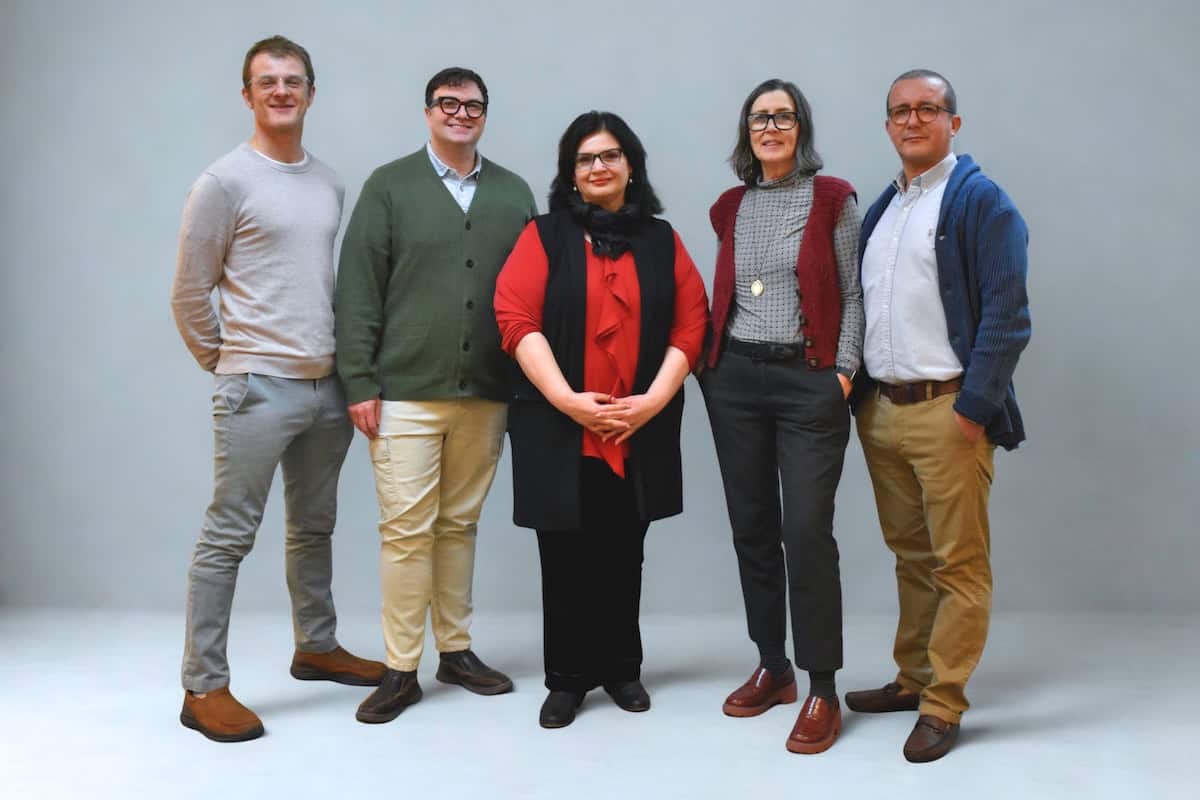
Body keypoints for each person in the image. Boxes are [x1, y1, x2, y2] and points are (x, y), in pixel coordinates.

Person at [170, 35, 384, 743]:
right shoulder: (223, 182)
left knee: (313, 527)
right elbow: (189, 292)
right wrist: (232, 363)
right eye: (268, 81)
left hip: (327, 388)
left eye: (294, 80)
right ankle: (202, 687)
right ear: (247, 95)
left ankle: (316, 645)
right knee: (228, 538)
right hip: (259, 386)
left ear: (311, 93)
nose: (281, 90)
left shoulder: (329, 181)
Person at [335, 67, 537, 724]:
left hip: (486, 393)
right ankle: (400, 667)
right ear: (428, 112)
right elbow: (359, 290)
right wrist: (360, 382)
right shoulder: (389, 187)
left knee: (459, 526)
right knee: (405, 532)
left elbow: (531, 294)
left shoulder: (513, 194)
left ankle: (456, 650)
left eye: (472, 104)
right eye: (447, 103)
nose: (459, 113)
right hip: (403, 396)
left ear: (485, 113)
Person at [494, 111, 709, 729]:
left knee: (624, 550)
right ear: (571, 173)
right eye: (585, 159)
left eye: (610, 155)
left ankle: (620, 669)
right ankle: (566, 678)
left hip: (638, 426)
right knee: (562, 555)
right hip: (558, 423)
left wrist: (651, 402)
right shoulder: (543, 235)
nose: (598, 167)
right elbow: (514, 318)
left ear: (631, 165)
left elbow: (692, 325)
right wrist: (568, 400)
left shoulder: (662, 240)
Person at [845, 69, 1030, 763]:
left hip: (949, 411)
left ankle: (943, 702)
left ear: (955, 121)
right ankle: (912, 678)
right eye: (900, 111)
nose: (913, 120)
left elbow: (1008, 317)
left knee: (959, 566)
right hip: (883, 414)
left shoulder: (981, 202)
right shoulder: (885, 209)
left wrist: (976, 411)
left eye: (928, 108)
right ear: (888, 124)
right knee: (911, 558)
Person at [700, 79, 863, 755]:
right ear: (747, 129)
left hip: (807, 381)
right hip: (735, 378)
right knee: (753, 528)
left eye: (783, 116)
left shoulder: (833, 199)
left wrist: (843, 374)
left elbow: (854, 293)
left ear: (801, 127)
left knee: (805, 531)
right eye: (760, 117)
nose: (771, 126)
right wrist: (713, 369)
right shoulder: (730, 206)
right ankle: (773, 665)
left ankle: (821, 685)